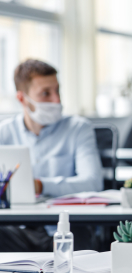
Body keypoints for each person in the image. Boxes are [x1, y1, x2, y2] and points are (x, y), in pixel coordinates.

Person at [0, 59, 103, 251]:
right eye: (46, 93)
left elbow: (93, 182)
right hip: (17, 229)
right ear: (22, 98)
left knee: (79, 242)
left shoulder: (79, 128)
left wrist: (41, 185)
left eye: (58, 91)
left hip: (67, 228)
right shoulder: (4, 133)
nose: (56, 100)